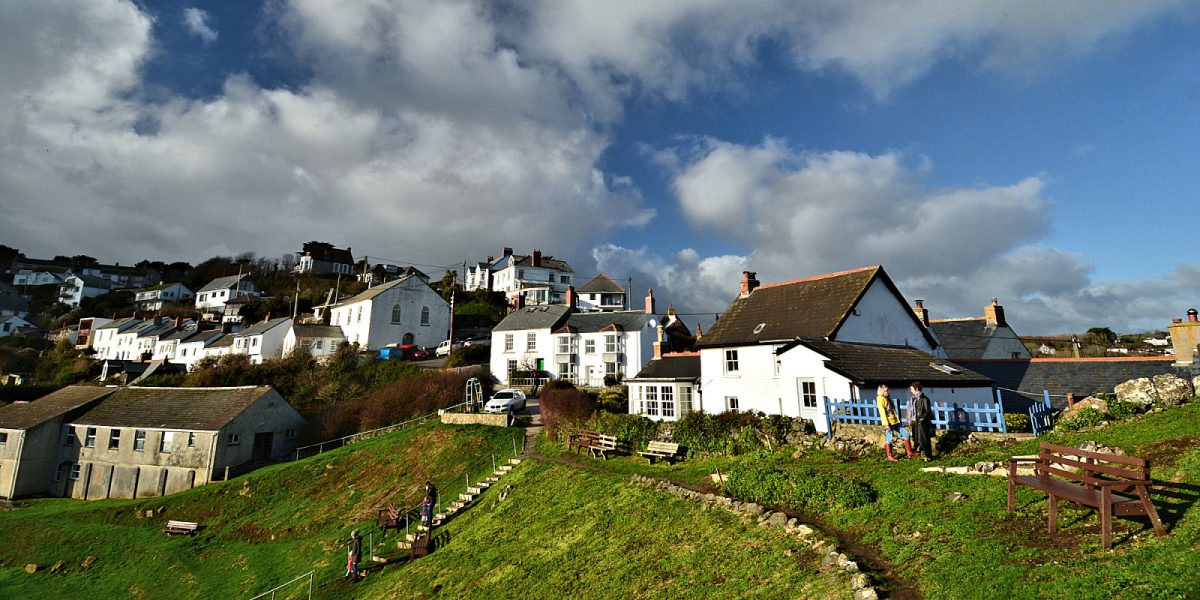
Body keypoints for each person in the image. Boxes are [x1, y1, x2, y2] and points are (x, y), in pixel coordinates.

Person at [875, 384, 918, 462]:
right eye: (885, 391)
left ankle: (909, 452)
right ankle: (889, 456)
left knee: (906, 434)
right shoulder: (880, 399)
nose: (887, 392)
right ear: (881, 392)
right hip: (889, 423)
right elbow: (882, 413)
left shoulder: (887, 398)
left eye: (887, 390)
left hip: (895, 421)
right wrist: (886, 425)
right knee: (889, 439)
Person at [909, 382, 936, 460]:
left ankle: (928, 456)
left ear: (916, 389)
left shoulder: (924, 399)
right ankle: (924, 455)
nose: (911, 391)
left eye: (912, 389)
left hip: (922, 423)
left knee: (924, 440)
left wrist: (922, 419)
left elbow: (927, 411)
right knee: (917, 439)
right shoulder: (914, 399)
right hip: (915, 422)